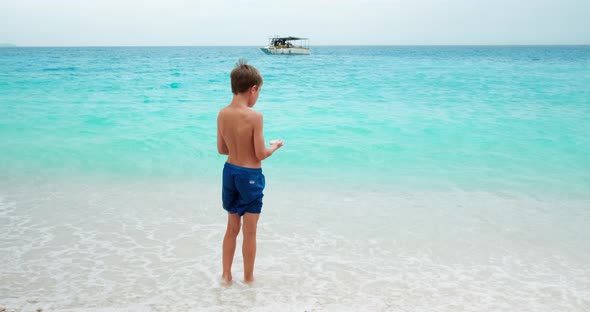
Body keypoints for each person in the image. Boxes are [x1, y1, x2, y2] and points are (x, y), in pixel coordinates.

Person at [217, 59, 284, 284]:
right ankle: (248, 278)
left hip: (229, 173)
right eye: (259, 92)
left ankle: (226, 276)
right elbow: (260, 154)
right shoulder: (255, 117)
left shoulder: (222, 114)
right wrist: (275, 146)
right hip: (250, 178)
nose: (258, 97)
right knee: (250, 232)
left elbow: (221, 149)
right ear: (253, 89)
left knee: (231, 228)